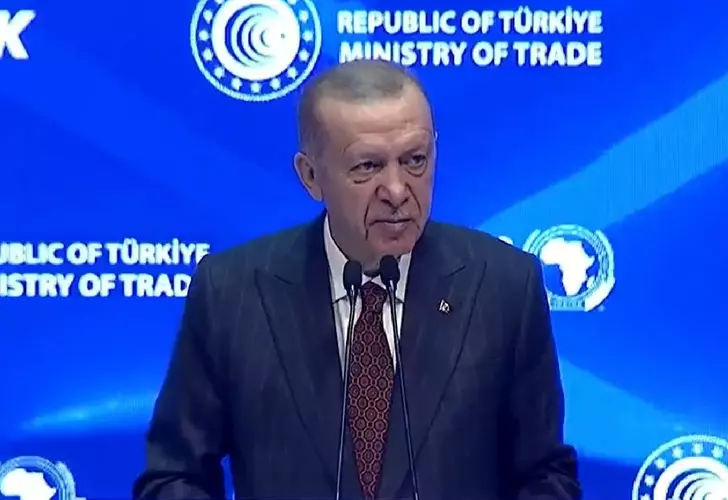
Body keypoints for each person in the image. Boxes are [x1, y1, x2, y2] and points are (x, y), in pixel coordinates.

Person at [133, 59, 581, 500]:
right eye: (367, 166)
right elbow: (173, 476)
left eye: (415, 160)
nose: (397, 190)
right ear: (311, 176)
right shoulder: (232, 293)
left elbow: (545, 475)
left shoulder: (503, 286)